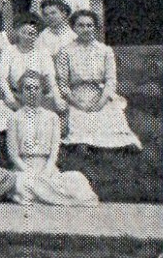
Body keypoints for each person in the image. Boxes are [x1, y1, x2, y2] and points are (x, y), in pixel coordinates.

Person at [7, 70, 100, 206]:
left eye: (36, 88)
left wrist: (47, 170)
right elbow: (13, 155)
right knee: (22, 183)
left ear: (42, 91)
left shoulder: (52, 118)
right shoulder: (14, 118)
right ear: (21, 92)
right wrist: (29, 171)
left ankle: (46, 195)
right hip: (24, 169)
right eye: (28, 88)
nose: (32, 92)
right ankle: (55, 197)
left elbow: (54, 151)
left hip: (47, 168)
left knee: (77, 178)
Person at [56, 8, 142, 152]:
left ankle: (117, 143)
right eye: (81, 25)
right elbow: (62, 84)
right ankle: (84, 142)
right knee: (81, 118)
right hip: (76, 95)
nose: (86, 29)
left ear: (95, 28)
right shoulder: (66, 51)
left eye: (89, 25)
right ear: (73, 28)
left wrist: (101, 102)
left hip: (100, 93)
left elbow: (110, 80)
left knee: (111, 114)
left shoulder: (105, 51)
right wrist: (77, 103)